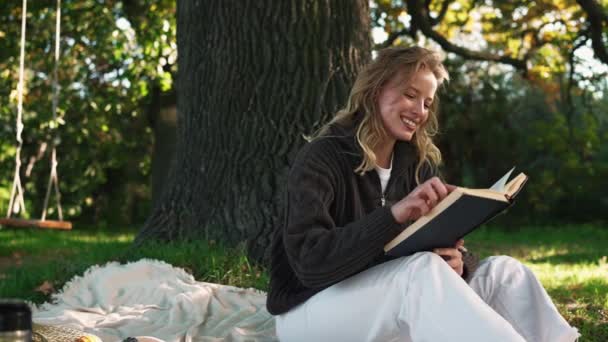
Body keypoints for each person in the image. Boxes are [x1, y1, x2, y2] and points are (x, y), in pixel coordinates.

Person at [266, 46, 580, 342]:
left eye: (427, 103)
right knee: (420, 273)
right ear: (376, 91)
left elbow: (433, 249)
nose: (420, 111)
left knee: (503, 272)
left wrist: (460, 262)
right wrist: (393, 216)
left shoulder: (417, 166)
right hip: (308, 312)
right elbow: (309, 263)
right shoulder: (323, 157)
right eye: (410, 95)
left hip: (387, 300)